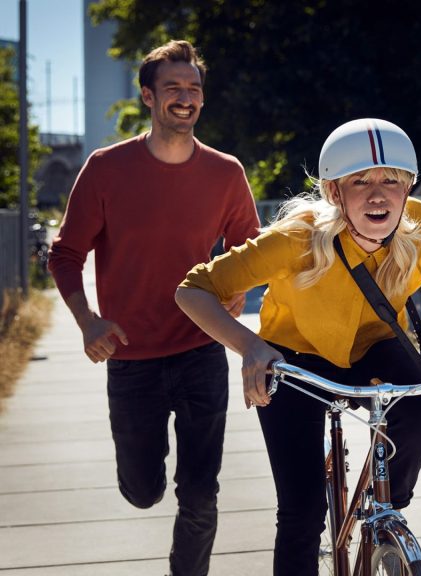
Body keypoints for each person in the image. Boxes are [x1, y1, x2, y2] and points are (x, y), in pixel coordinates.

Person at [175, 118, 421, 576]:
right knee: (302, 511)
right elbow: (193, 290)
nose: (378, 194)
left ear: (408, 187)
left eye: (392, 180)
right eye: (360, 181)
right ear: (334, 192)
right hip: (293, 358)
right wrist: (249, 346)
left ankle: (384, 510)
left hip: (373, 345)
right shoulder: (298, 238)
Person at [47, 40, 261, 576]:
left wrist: (238, 287)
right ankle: (141, 481)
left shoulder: (225, 173)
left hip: (200, 351)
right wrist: (87, 320)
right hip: (131, 356)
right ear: (148, 96)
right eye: (173, 89)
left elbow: (250, 248)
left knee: (200, 493)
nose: (185, 98)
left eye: (193, 89)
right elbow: (67, 253)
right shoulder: (104, 169)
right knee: (142, 491)